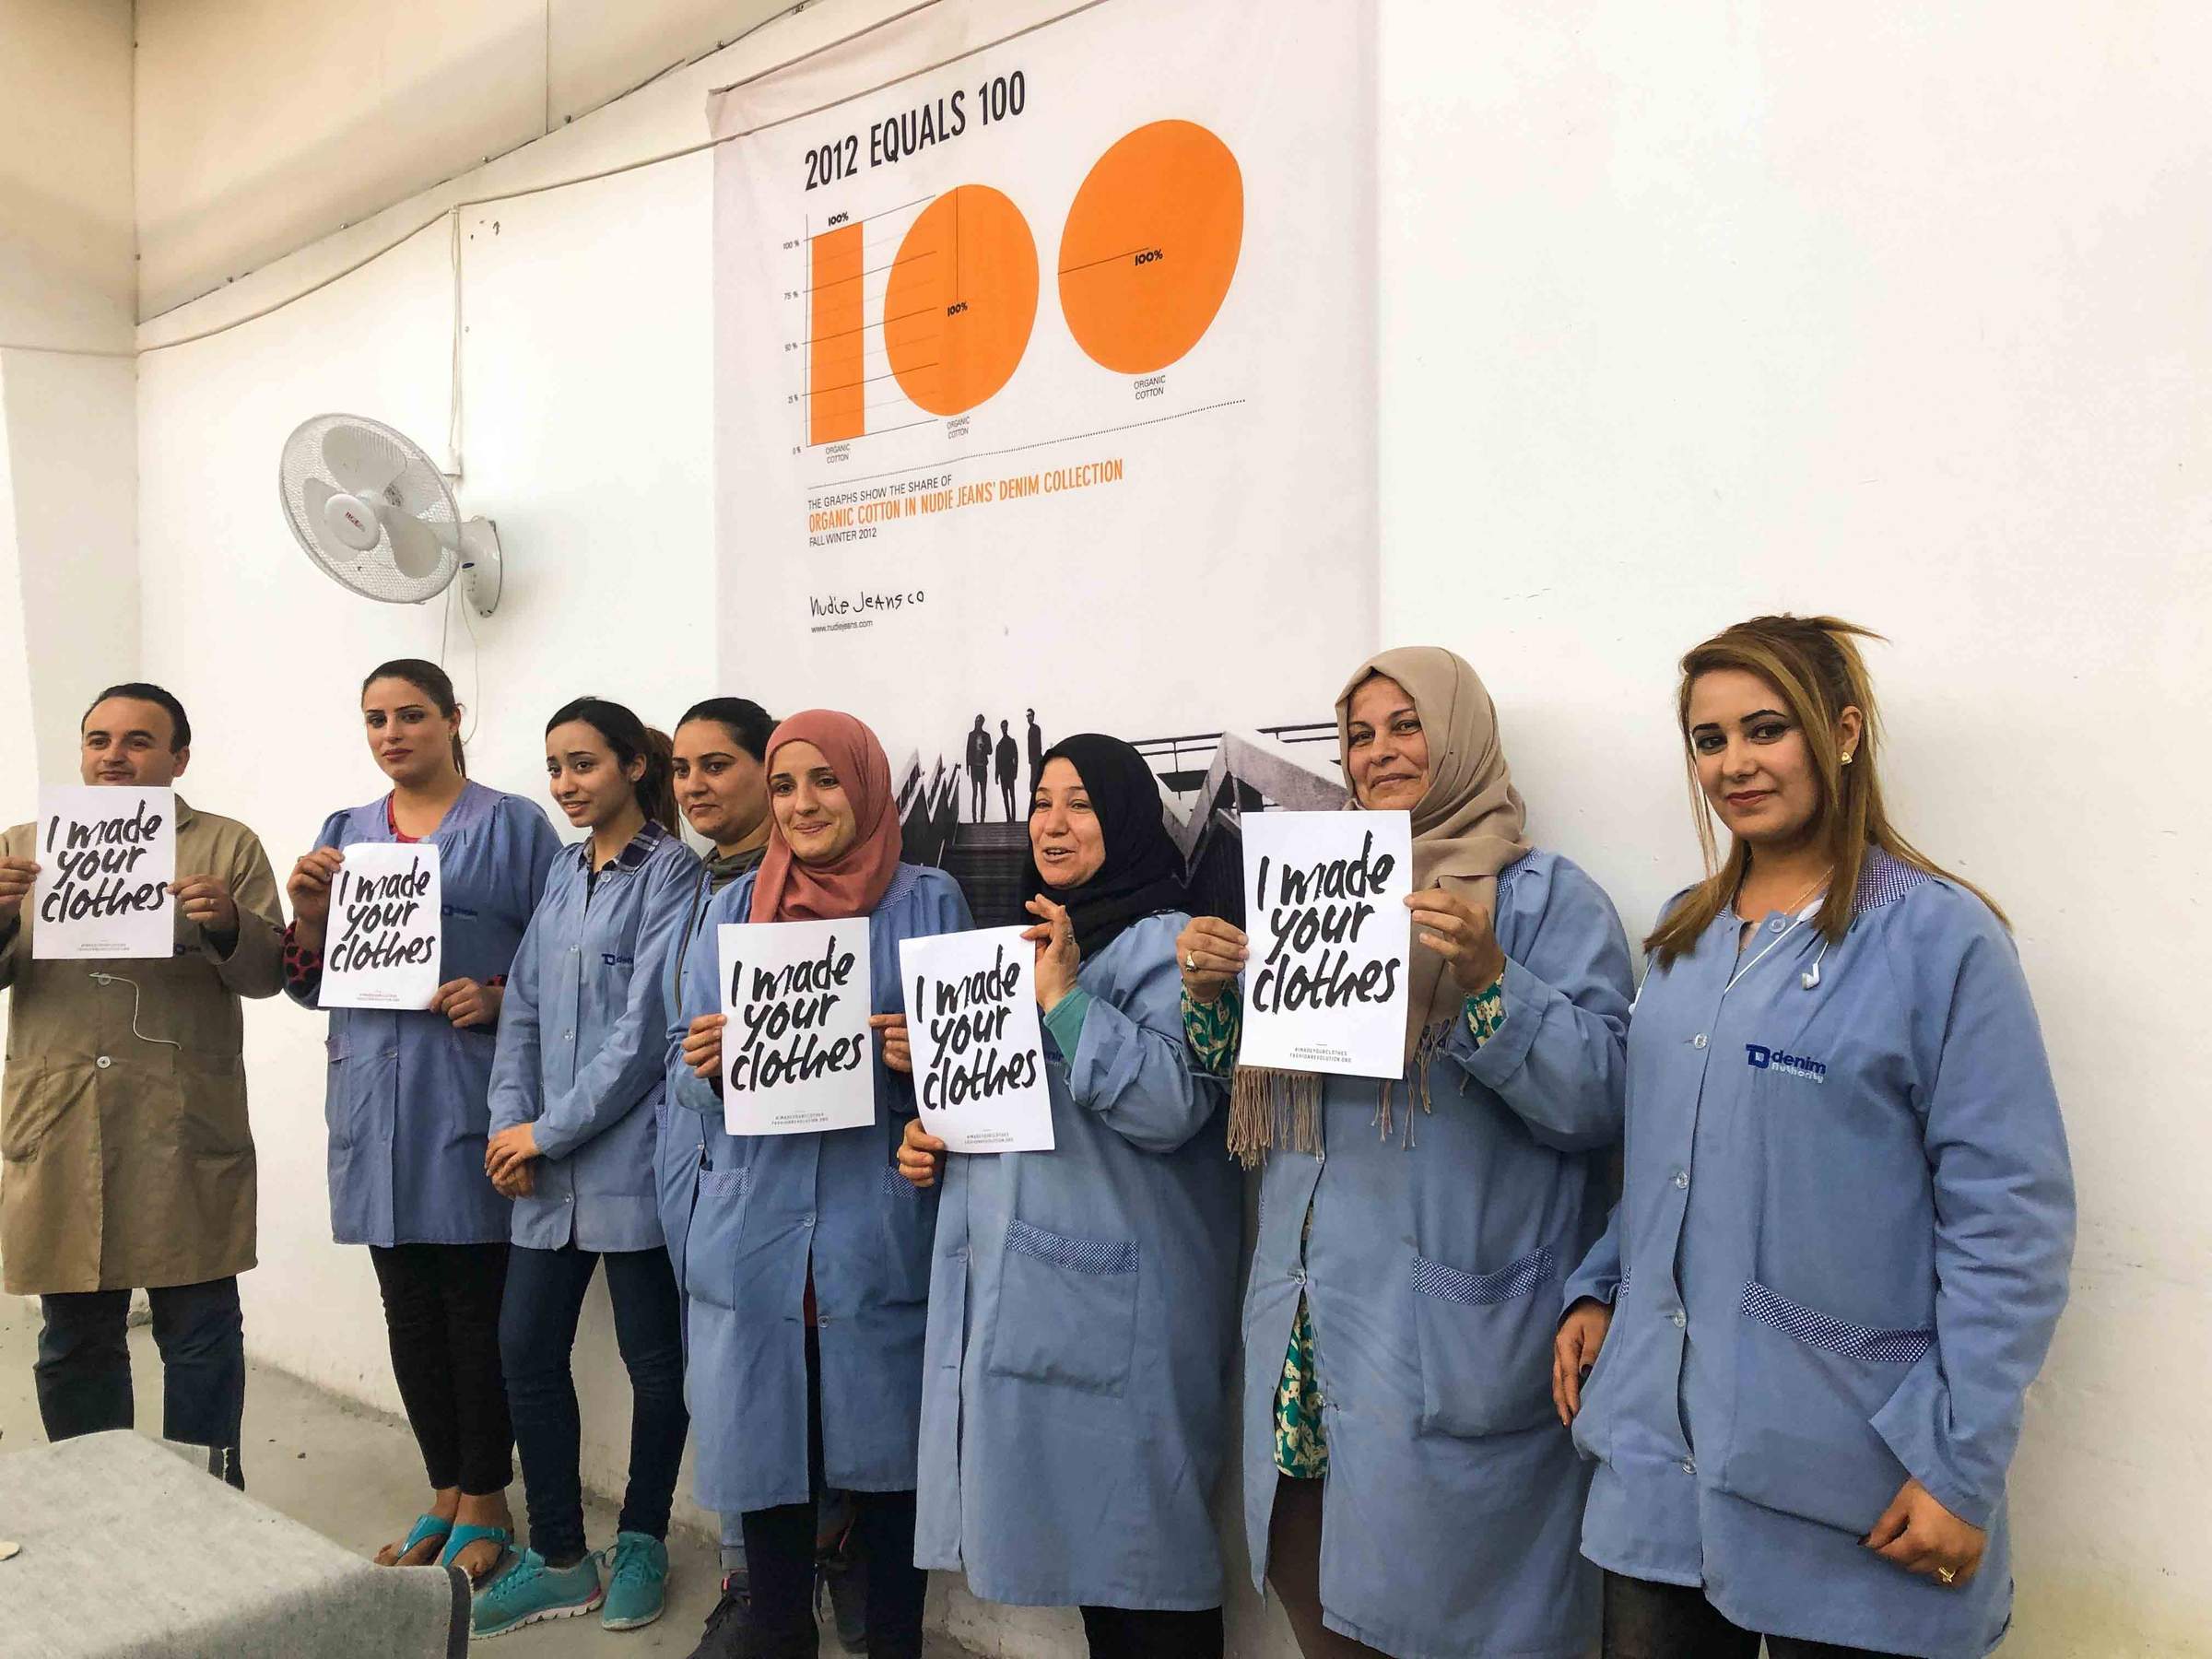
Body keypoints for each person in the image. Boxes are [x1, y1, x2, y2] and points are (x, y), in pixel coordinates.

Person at [1550, 616, 2074, 1659]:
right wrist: (1602, 1284)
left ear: (1841, 733)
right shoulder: (1683, 938)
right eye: (1709, 740)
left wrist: (1958, 1465)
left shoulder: (1938, 937)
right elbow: (1670, 1165)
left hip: (1857, 1477)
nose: (1735, 763)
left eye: (1766, 729)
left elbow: (2010, 1222)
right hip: (1658, 1464)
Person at [1176, 646, 1632, 1658]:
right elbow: (1248, 1086)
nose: (1379, 753)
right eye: (1359, 735)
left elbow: (1600, 1098)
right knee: (1311, 1580)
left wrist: (1487, 980)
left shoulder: (1545, 899)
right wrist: (1214, 998)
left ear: (1460, 733)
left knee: (1450, 1609)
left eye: (1405, 725)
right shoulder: (1317, 891)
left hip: (1451, 1326)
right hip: (1306, 1324)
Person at [900, 734, 1240, 1657]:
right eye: (1043, 799)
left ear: (1127, 818)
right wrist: (934, 1134)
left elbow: (1174, 1106)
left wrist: (1063, 1001)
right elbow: (1017, 1116)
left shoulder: (1171, 945)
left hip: (1132, 1306)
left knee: (1149, 1565)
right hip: (1048, 1299)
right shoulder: (1025, 943)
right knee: (1098, 1568)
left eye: (1081, 802)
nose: (1053, 820)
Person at [665, 710, 971, 1659]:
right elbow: (682, 1081)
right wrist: (707, 1065)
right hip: (759, 1234)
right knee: (771, 1458)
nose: (803, 804)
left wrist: (922, 1061)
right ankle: (778, 1630)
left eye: (825, 782)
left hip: (871, 1228)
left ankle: (892, 1642)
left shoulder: (930, 900)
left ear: (867, 786)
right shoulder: (726, 911)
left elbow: (972, 1074)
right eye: (787, 784)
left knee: (887, 1471)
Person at [284, 659, 561, 1584]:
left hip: (467, 1092)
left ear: (452, 719)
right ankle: (445, 1491)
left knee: (472, 1307)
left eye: (411, 715)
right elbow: (308, 984)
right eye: (375, 719)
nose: (392, 733)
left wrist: (494, 994)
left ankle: (489, 1499)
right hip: (371, 1098)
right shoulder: (346, 835)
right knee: (405, 1306)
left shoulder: (513, 826)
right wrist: (309, 909)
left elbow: (566, 957)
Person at [0, 683, 283, 1489]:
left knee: (199, 1334)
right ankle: (98, 1504)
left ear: (177, 758)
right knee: (74, 1339)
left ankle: (206, 1505)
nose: (113, 757)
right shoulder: (24, 846)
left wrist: (228, 923)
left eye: (136, 741)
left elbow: (268, 975)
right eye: (98, 740)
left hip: (180, 1125)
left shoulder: (225, 847)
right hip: (57, 1123)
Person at [465, 698, 701, 1638]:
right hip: (543, 1169)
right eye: (555, 768)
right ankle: (561, 1555)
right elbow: (520, 1011)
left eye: (584, 765)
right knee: (524, 1350)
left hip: (628, 1165)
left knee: (655, 1364)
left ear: (635, 767)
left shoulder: (672, 873)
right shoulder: (564, 875)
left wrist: (546, 1133)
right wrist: (508, 1127)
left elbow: (646, 1033)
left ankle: (642, 1538)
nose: (566, 785)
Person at [966, 715, 991, 822]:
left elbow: (990, 751)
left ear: (983, 723)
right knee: (975, 792)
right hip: (974, 767)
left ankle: (982, 818)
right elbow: (968, 751)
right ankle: (974, 818)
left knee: (983, 793)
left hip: (983, 767)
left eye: (980, 721)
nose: (978, 723)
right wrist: (967, 766)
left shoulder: (986, 736)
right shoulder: (971, 735)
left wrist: (984, 747)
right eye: (977, 721)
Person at [994, 720, 1019, 822]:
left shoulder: (1011, 742)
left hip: (1010, 774)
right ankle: (1008, 817)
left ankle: (1013, 817)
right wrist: (996, 775)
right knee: (1005, 797)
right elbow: (997, 762)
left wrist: (1015, 772)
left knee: (1012, 795)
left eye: (1005, 726)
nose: (1003, 728)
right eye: (1002, 727)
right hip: (1003, 774)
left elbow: (1016, 758)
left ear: (1007, 727)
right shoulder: (999, 745)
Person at [1024, 709, 1044, 800]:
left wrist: (1037, 758)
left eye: (1030, 715)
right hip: (1033, 759)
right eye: (1027, 716)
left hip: (1036, 759)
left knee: (1035, 781)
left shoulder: (1035, 729)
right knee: (1033, 781)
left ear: (1033, 716)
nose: (1028, 718)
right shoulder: (1030, 729)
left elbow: (1037, 745)